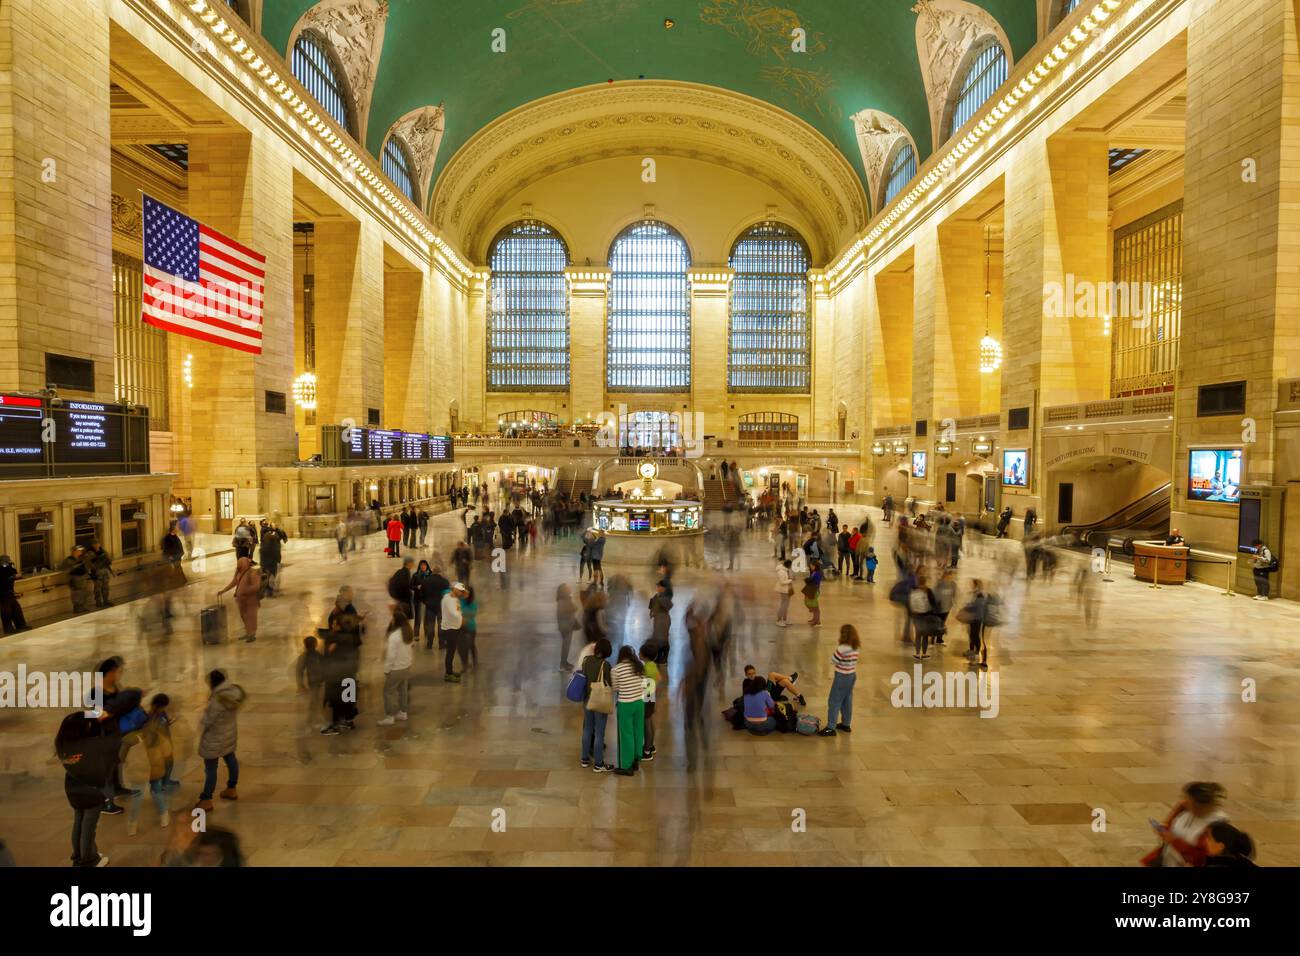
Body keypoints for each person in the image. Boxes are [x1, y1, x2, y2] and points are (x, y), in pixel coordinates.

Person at [57, 709, 120, 867]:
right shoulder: (92, 745)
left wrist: (90, 716)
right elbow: (115, 741)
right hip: (91, 790)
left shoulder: (63, 744)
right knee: (88, 828)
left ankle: (78, 856)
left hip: (73, 789)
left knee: (78, 822)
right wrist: (106, 719)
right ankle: (89, 861)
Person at [193, 670, 245, 813]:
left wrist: (202, 714)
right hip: (229, 734)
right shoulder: (233, 692)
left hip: (214, 739)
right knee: (231, 759)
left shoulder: (217, 700)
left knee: (211, 769)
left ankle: (206, 799)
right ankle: (231, 788)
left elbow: (207, 721)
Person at [1142, 782, 1229, 867]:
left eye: (1188, 799)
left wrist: (1174, 841)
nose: (1183, 801)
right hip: (1169, 860)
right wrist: (1163, 829)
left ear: (1200, 805)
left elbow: (1203, 858)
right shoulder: (1185, 809)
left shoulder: (1217, 826)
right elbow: (1170, 825)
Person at [128, 693, 178, 835]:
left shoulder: (142, 720)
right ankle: (164, 815)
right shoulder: (158, 719)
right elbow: (165, 741)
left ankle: (132, 825)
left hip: (141, 763)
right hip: (158, 759)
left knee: (138, 794)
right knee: (157, 789)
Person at [818, 624, 861, 736]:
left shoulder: (842, 648)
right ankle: (846, 724)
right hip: (852, 675)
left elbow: (833, 661)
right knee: (847, 700)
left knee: (834, 701)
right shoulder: (855, 647)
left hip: (842, 677)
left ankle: (831, 727)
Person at [579, 638, 613, 772]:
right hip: (599, 701)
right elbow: (609, 683)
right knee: (599, 733)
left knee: (587, 729)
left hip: (587, 700)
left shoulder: (586, 660)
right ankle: (599, 763)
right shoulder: (605, 665)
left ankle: (584, 759)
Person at [611, 645, 646, 776]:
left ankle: (627, 766)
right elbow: (645, 684)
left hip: (625, 704)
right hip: (639, 703)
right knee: (638, 730)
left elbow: (615, 688)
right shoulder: (639, 666)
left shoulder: (616, 670)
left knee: (626, 734)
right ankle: (636, 759)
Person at [378, 609, 415, 726]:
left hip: (396, 668)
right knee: (402, 690)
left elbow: (391, 656)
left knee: (387, 692)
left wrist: (386, 670)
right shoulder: (408, 632)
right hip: (406, 666)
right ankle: (403, 712)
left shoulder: (394, 636)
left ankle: (389, 716)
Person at [216, 555, 261, 643]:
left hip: (251, 600)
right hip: (241, 600)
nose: (238, 566)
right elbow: (233, 582)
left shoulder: (254, 573)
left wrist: (245, 590)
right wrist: (224, 590)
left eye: (240, 564)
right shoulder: (239, 572)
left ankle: (252, 634)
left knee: (251, 616)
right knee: (244, 616)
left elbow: (256, 586)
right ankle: (248, 632)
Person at [295, 635, 326, 729]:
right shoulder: (314, 655)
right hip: (314, 682)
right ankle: (313, 719)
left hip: (317, 681)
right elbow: (299, 671)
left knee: (316, 700)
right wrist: (301, 685)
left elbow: (299, 671)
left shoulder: (310, 655)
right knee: (314, 700)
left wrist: (301, 685)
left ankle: (313, 718)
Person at [441, 582, 467, 683]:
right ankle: (448, 674)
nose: (461, 593)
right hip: (450, 629)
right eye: (460, 591)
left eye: (462, 591)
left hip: (454, 627)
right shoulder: (448, 599)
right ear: (455, 589)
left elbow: (458, 610)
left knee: (451, 651)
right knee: (450, 652)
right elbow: (454, 613)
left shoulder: (454, 598)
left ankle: (450, 672)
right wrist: (462, 617)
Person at [639, 644, 659, 762]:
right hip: (651, 695)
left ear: (645, 656)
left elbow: (645, 685)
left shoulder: (646, 668)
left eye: (640, 652)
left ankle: (646, 751)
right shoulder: (653, 665)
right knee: (650, 720)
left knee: (646, 723)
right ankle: (651, 746)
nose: (638, 653)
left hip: (647, 696)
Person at [0, 554, 27, 634]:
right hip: (3, 594)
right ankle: (8, 629)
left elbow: (14, 572)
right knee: (6, 612)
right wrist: (13, 576)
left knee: (16, 609)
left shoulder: (8, 568)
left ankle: (21, 625)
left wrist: (13, 570)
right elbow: (6, 577)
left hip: (9, 593)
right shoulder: (1, 569)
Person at [63, 545, 93, 614]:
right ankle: (77, 608)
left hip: (83, 578)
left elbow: (87, 565)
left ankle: (82, 606)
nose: (80, 552)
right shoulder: (69, 560)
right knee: (76, 594)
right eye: (79, 551)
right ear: (74, 551)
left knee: (83, 593)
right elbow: (67, 570)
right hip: (75, 579)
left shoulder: (81, 559)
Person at [556, 583, 579, 670]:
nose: (570, 588)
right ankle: (563, 664)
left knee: (567, 646)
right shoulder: (562, 601)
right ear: (564, 591)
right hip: (565, 627)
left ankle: (565, 662)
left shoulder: (567, 599)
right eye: (567, 588)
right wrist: (572, 609)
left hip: (568, 625)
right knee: (565, 646)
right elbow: (562, 613)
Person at [388, 557, 416, 623]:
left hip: (398, 596)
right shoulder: (406, 573)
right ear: (409, 563)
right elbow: (405, 586)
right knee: (405, 614)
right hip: (403, 598)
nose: (413, 564)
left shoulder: (400, 571)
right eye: (412, 563)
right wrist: (410, 595)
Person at [258, 524, 282, 598]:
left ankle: (266, 589)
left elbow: (261, 556)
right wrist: (278, 561)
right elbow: (278, 556)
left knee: (266, 577)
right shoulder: (275, 547)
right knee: (272, 577)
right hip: (272, 564)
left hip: (264, 564)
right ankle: (270, 591)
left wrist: (261, 564)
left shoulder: (263, 547)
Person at [460, 585, 479, 670]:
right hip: (460, 627)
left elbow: (472, 613)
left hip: (470, 627)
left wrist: (462, 615)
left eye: (467, 592)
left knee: (470, 645)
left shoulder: (473, 603)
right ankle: (465, 664)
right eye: (464, 592)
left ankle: (474, 662)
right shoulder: (459, 601)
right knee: (462, 647)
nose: (465, 594)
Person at [774, 558, 794, 627]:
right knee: (783, 605)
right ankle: (779, 620)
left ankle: (785, 619)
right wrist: (790, 580)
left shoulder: (786, 570)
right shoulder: (781, 571)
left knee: (786, 605)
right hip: (783, 590)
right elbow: (782, 582)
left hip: (787, 589)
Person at [803, 560, 823, 626]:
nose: (810, 567)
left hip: (814, 591)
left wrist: (809, 580)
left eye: (812, 566)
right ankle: (815, 619)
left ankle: (818, 622)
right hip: (812, 590)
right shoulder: (814, 572)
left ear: (815, 566)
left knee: (815, 607)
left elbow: (816, 582)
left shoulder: (818, 573)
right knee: (811, 605)